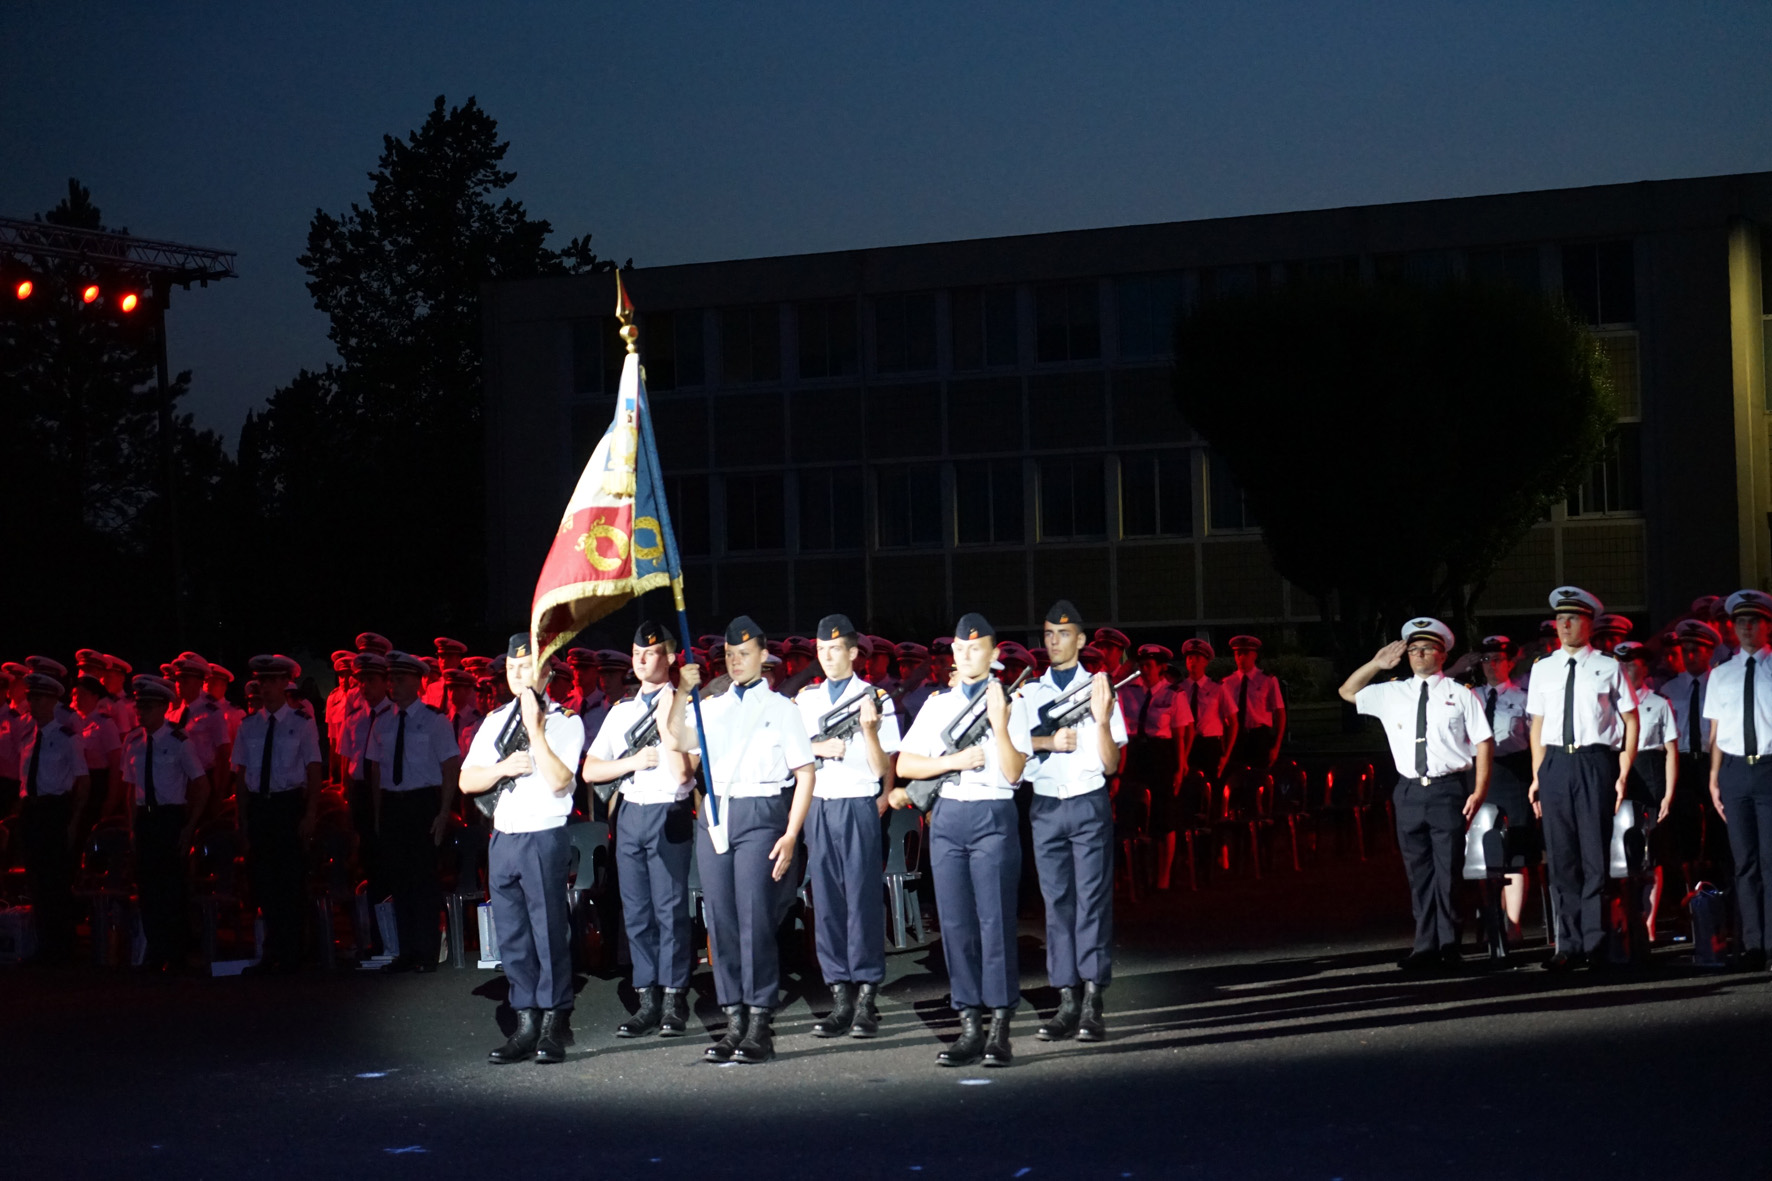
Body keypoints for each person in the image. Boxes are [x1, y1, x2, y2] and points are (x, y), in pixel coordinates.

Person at [667, 615, 816, 1065]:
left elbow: (804, 772)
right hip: (716, 817)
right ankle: (733, 1018)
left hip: (761, 812)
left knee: (754, 920)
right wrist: (680, 690)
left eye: (744, 654)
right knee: (722, 921)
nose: (736, 662)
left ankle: (759, 1022)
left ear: (763, 655)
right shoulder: (711, 706)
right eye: (730, 655)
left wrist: (791, 834)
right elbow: (676, 736)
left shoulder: (782, 709)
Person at [892, 612, 1033, 1068]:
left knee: (994, 922)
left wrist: (1001, 721)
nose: (967, 654)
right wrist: (952, 761)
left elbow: (1014, 772)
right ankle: (968, 1023)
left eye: (977, 648)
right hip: (949, 814)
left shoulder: (1015, 701)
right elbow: (907, 766)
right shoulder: (937, 704)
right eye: (960, 647)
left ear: (994, 653)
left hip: (993, 811)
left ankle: (999, 1026)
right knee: (954, 925)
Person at [1339, 618, 1492, 972]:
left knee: (1449, 872)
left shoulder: (1460, 694)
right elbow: (1347, 692)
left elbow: (1483, 742)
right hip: (1409, 791)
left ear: (1442, 655)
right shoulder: (1393, 692)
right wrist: (1376, 664)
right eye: (1413, 649)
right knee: (1418, 873)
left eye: (1427, 649)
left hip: (1447, 789)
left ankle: (1450, 944)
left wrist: (1479, 790)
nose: (1418, 654)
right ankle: (1425, 944)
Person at [461, 634, 585, 1065]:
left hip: (542, 834)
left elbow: (559, 781)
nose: (517, 675)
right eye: (512, 669)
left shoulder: (566, 721)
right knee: (511, 936)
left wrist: (535, 730)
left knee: (548, 931)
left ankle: (555, 1022)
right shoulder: (494, 720)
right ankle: (525, 1020)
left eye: (526, 667)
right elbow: (466, 780)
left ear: (547, 672)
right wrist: (501, 768)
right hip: (504, 837)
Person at [581, 621, 695, 1039]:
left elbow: (687, 771)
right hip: (630, 813)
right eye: (636, 653)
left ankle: (674, 997)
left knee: (670, 911)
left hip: (669, 810)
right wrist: (631, 763)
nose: (641, 660)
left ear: (668, 658)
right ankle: (646, 998)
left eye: (650, 653)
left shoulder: (686, 704)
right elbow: (591, 769)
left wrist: (669, 728)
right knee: (637, 911)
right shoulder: (621, 712)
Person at [1022, 600, 1126, 1041]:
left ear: (1081, 641)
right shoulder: (1029, 693)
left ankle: (1093, 1000)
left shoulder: (1100, 688)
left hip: (1086, 803)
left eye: (1063, 635)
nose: (1053, 642)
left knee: (1092, 902)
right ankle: (1065, 1000)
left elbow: (1111, 764)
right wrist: (1050, 740)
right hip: (1045, 806)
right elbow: (1015, 750)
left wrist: (1100, 722)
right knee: (1056, 905)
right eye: (1047, 635)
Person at [796, 613, 901, 1040]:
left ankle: (866, 997)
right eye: (821, 650)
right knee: (827, 903)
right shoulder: (805, 700)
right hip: (818, 805)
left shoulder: (876, 697)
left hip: (857, 803)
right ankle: (839, 995)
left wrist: (870, 732)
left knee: (861, 902)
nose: (826, 657)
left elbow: (883, 769)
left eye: (835, 649)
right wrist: (820, 746)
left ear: (854, 653)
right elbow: (789, 752)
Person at [1527, 587, 1638, 971]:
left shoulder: (1608, 666)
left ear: (1589, 623)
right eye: (1560, 619)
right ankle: (1567, 943)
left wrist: (1623, 769)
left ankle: (1595, 941)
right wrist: (1537, 775)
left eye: (1573, 619)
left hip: (1594, 761)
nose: (1565, 625)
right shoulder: (1543, 668)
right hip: (1556, 762)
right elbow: (1537, 724)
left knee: (1594, 855)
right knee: (1561, 858)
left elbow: (1630, 719)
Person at [229, 655, 324, 975]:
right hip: (261, 806)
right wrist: (242, 818)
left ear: (286, 684)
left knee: (291, 881)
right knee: (265, 881)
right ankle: (272, 950)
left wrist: (310, 812)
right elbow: (241, 775)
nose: (265, 688)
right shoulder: (248, 725)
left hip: (287, 804)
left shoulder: (301, 723)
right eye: (262, 682)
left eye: (272, 682)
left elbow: (313, 769)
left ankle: (295, 950)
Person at [367, 652, 461, 973]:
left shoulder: (435, 720)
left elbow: (450, 767)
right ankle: (406, 950)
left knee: (423, 879)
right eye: (391, 679)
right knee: (399, 879)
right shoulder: (383, 721)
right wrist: (379, 815)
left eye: (400, 679)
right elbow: (377, 772)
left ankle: (427, 950)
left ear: (418, 683)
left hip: (422, 803)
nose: (393, 684)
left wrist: (444, 810)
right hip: (394, 804)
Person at [1703, 589, 1772, 973]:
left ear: (1767, 626)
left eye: (1755, 621)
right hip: (1733, 770)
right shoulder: (1722, 674)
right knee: (1744, 862)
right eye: (1741, 622)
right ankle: (1753, 944)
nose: (1747, 628)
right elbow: (1716, 730)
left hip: (1769, 767)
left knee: (1771, 861)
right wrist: (1714, 778)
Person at [121, 675, 210, 972]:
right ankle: (156, 950)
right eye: (139, 707)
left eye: (146, 707)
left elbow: (201, 784)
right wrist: (133, 825)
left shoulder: (179, 741)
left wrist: (189, 825)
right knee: (148, 887)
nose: (140, 713)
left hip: (170, 817)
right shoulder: (132, 741)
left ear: (162, 708)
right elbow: (131, 788)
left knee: (172, 887)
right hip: (146, 818)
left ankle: (177, 952)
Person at [12, 673, 90, 962]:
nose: (34, 703)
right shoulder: (27, 737)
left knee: (56, 878)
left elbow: (83, 781)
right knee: (36, 879)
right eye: (31, 697)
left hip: (54, 809)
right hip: (31, 809)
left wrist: (74, 820)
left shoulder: (68, 737)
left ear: (54, 701)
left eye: (40, 698)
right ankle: (45, 943)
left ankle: (62, 944)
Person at [1471, 636, 1536, 941]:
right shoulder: (1469, 697)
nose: (1491, 665)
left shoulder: (1524, 698)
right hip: (1480, 777)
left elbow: (1536, 742)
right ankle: (1491, 920)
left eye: (1498, 659)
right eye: (1486, 660)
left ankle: (1513, 923)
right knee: (1484, 852)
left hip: (1513, 774)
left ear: (1511, 663)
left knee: (1515, 853)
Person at [1614, 642, 1679, 941]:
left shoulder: (1659, 702)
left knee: (1651, 853)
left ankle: (1650, 921)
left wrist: (1668, 794)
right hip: (1619, 776)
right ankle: (1625, 918)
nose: (1627, 669)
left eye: (1632, 663)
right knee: (1620, 851)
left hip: (1650, 773)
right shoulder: (1608, 703)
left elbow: (1670, 751)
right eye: (1622, 663)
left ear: (1644, 667)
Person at [1118, 643, 1192, 890]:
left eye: (1149, 666)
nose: (1144, 670)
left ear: (1161, 668)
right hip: (1135, 753)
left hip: (1161, 754)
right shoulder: (1128, 691)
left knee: (1164, 816)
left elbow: (1180, 734)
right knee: (1133, 814)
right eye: (1141, 665)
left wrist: (1181, 767)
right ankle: (1135, 873)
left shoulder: (1173, 694)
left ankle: (1163, 877)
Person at [1665, 618, 1721, 887]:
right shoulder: (1669, 689)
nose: (1689, 656)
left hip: (1714, 760)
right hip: (1683, 761)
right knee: (1684, 827)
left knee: (1716, 826)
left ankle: (1718, 891)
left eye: (1696, 650)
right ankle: (1688, 895)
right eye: (1685, 650)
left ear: (1710, 652)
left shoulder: (1721, 684)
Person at [1222, 635, 1286, 771]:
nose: (1241, 658)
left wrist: (1276, 746)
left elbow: (1280, 713)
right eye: (1238, 654)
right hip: (1236, 736)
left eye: (1246, 654)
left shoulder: (1267, 680)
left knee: (1260, 777)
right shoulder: (1227, 682)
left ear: (1254, 655)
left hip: (1259, 735)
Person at [1178, 639, 1237, 783]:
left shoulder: (1217, 688)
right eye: (1190, 658)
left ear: (1205, 662)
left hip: (1210, 746)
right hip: (1186, 744)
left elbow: (1233, 722)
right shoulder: (1179, 690)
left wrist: (1226, 755)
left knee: (1212, 786)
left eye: (1198, 658)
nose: (1193, 662)